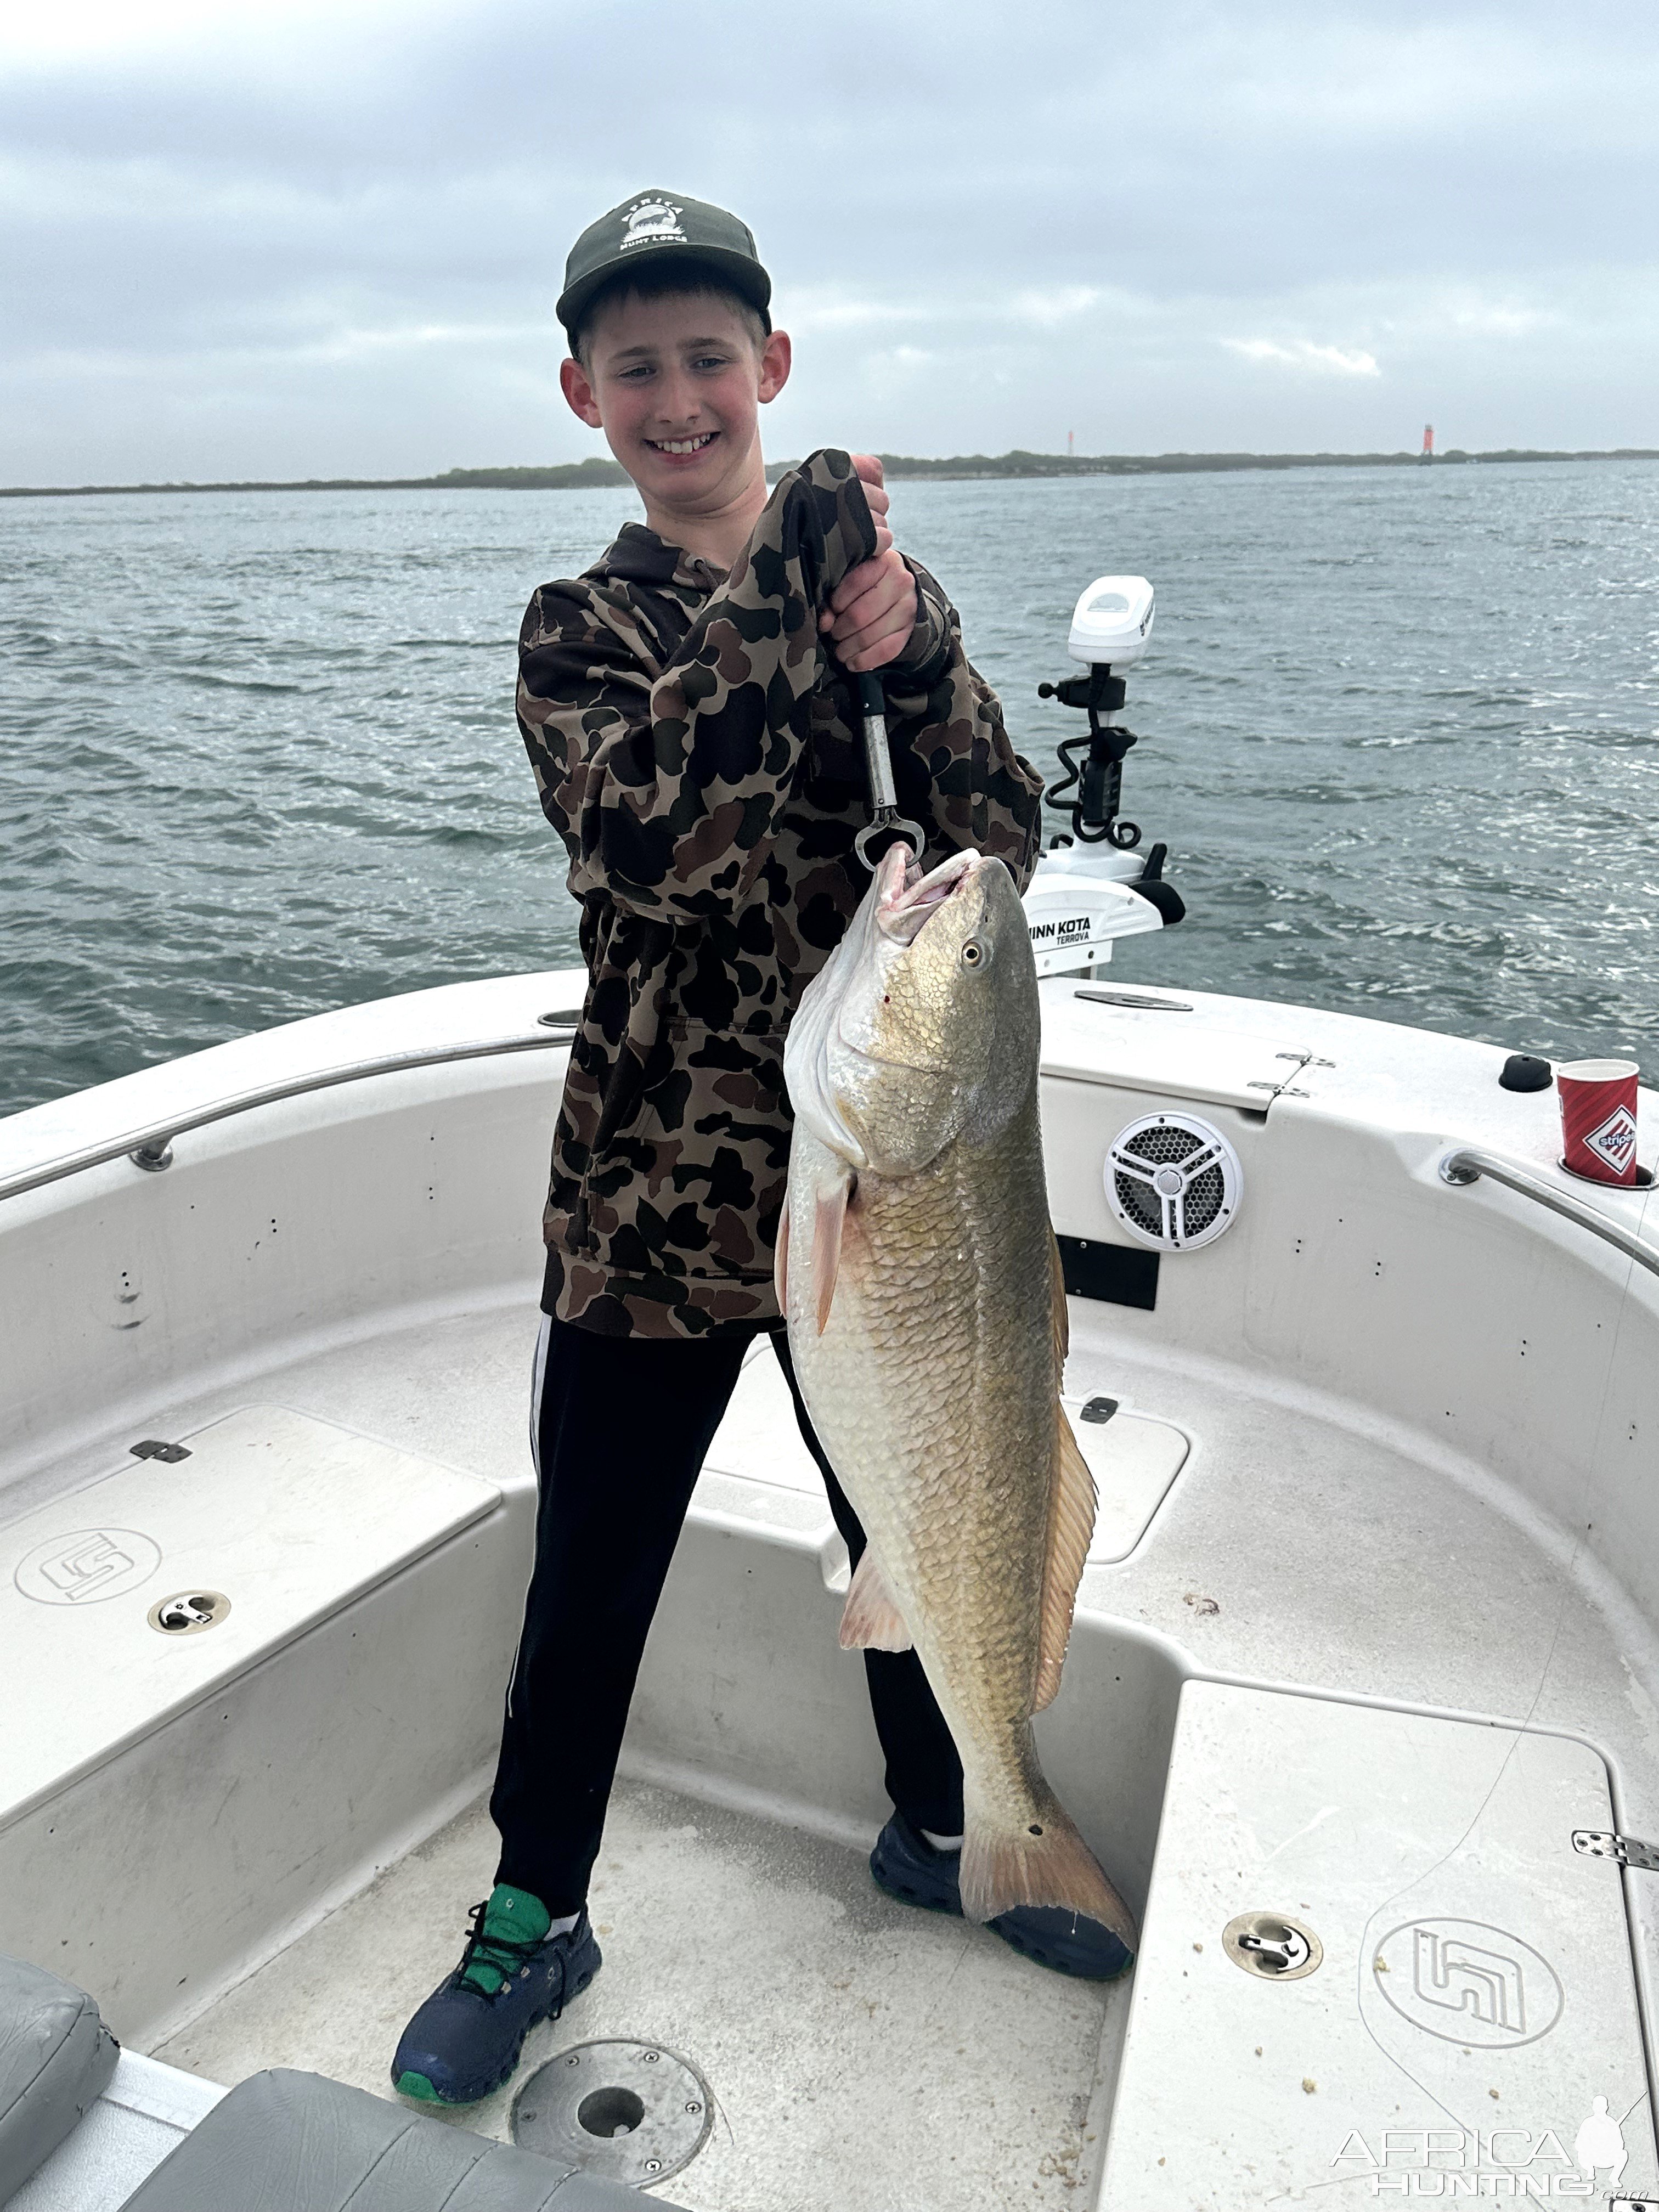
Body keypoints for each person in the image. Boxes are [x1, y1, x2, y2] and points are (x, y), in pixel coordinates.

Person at [391, 189, 1131, 2111]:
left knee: (912, 1500)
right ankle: (530, 1912)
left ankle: (946, 1812)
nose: (682, 396)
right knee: (595, 1581)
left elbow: (994, 837)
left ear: (774, 371)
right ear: (583, 397)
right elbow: (649, 848)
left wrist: (915, 648)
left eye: (712, 358)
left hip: (870, 1200)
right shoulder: (582, 631)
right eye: (636, 366)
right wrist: (786, 608)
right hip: (647, 1210)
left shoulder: (873, 602)